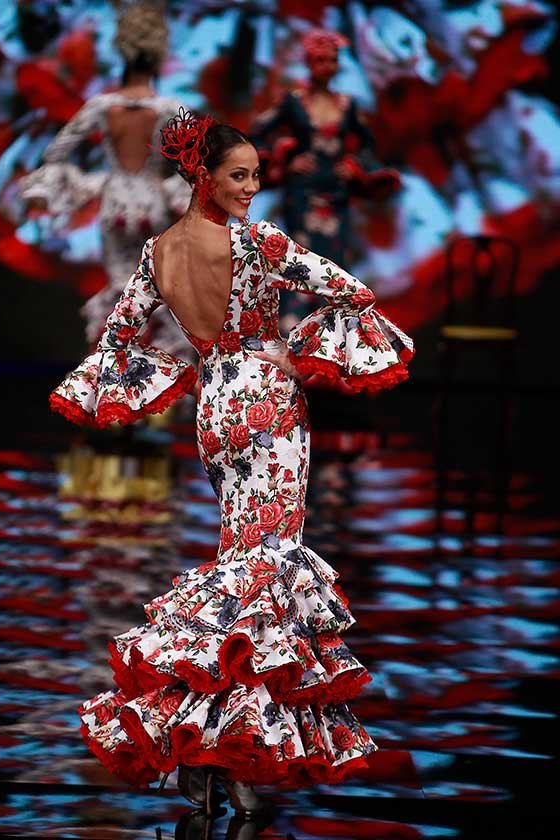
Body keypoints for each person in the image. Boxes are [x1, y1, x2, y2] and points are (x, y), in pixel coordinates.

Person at [50, 108, 414, 817]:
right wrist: (293, 354)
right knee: (267, 570)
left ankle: (197, 742)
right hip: (268, 400)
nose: (251, 188)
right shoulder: (257, 241)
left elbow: (118, 339)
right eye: (239, 176)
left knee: (240, 565)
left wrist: (186, 372)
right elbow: (351, 290)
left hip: (214, 405)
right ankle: (229, 749)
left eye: (256, 176)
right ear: (204, 177)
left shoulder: (157, 252)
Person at [21, 1, 191, 350]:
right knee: (159, 290)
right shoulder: (168, 109)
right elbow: (197, 163)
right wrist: (177, 192)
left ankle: (117, 367)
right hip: (153, 203)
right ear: (157, 58)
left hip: (114, 204)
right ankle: (160, 375)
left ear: (123, 55)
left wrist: (77, 185)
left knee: (122, 289)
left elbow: (55, 153)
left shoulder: (101, 107)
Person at [251, 28, 399, 332]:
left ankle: (332, 341)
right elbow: (257, 131)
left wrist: (354, 165)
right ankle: (293, 334)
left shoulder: (347, 104)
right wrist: (286, 160)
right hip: (302, 195)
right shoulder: (293, 102)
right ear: (308, 63)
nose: (327, 66)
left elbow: (370, 144)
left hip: (337, 195)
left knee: (334, 264)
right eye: (320, 60)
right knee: (299, 263)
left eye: (332, 60)